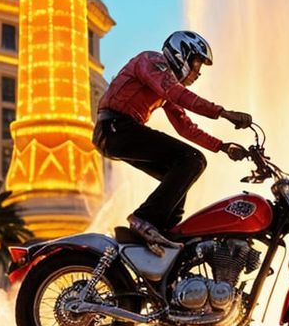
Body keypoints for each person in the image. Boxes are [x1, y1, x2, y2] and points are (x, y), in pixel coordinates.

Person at [94, 30, 252, 250]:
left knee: (180, 176)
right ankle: (145, 220)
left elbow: (185, 127)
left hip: (118, 133)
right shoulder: (151, 61)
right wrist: (223, 113)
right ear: (182, 55)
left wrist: (222, 146)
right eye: (196, 65)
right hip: (115, 128)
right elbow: (178, 94)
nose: (198, 73)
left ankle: (160, 236)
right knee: (192, 160)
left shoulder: (166, 86)